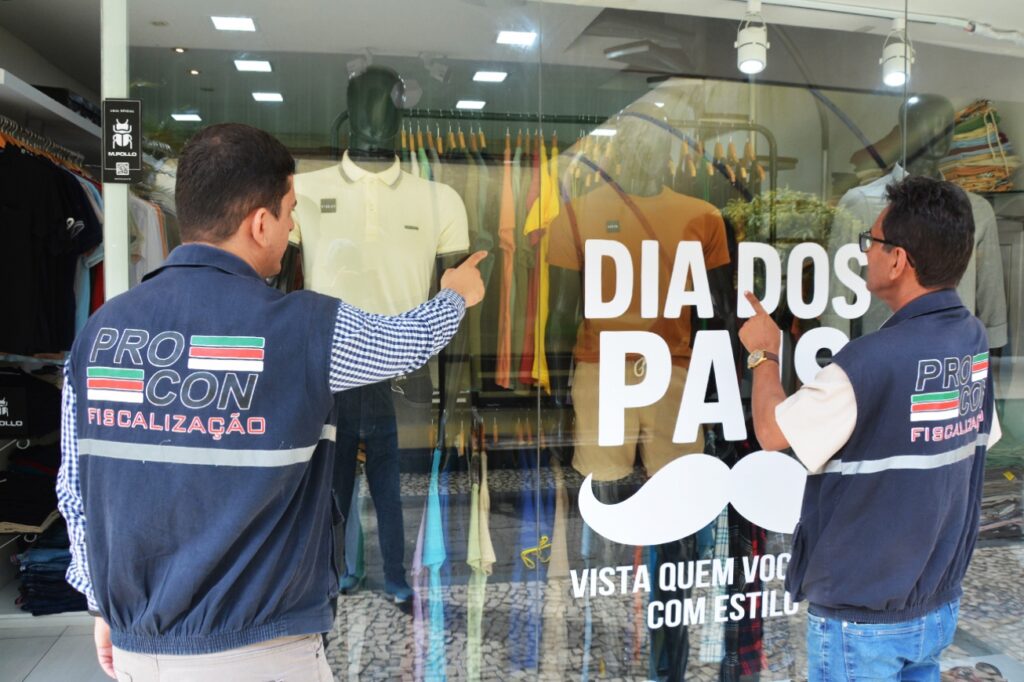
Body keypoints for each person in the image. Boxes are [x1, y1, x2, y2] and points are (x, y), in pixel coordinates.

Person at [55, 122, 486, 680]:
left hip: (141, 649)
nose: (290, 228)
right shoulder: (302, 330)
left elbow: (75, 490)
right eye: (289, 213)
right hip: (262, 652)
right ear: (261, 224)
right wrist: (454, 296)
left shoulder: (100, 332)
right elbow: (403, 343)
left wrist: (100, 604)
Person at [739, 175, 1001, 681]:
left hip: (863, 620)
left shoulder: (866, 364)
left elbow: (772, 432)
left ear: (898, 259)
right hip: (936, 603)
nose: (865, 253)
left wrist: (764, 353)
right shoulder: (970, 340)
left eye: (871, 241)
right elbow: (974, 438)